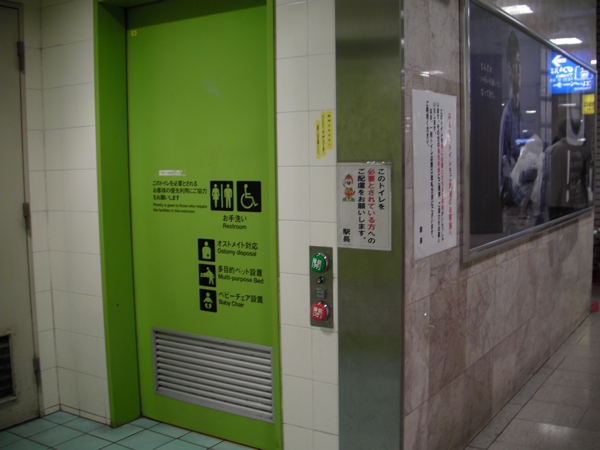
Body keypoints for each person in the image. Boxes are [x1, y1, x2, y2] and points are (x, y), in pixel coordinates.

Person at [499, 30, 522, 206]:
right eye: (515, 64)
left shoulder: (518, 109)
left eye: (520, 64)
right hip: (512, 194)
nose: (519, 71)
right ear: (509, 68)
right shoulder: (507, 114)